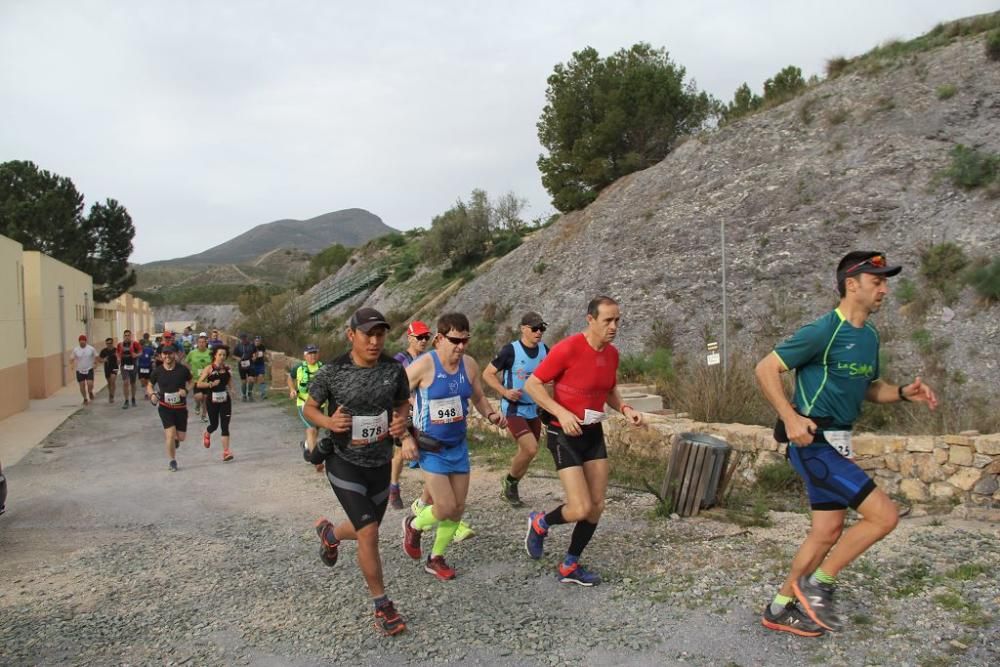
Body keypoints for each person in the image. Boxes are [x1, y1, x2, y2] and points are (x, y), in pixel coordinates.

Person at [755, 251, 938, 636]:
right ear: (851, 284)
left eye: (886, 282)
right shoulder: (824, 330)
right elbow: (765, 367)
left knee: (827, 530)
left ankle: (779, 607)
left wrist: (904, 392)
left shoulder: (869, 336)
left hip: (839, 444)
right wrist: (790, 417)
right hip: (813, 444)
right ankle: (819, 584)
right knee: (884, 516)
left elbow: (870, 388)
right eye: (877, 282)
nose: (885, 290)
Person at [301, 308, 410, 636]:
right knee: (370, 533)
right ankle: (382, 605)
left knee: (368, 526)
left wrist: (401, 420)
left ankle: (330, 535)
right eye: (368, 335)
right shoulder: (333, 370)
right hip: (343, 460)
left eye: (380, 334)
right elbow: (309, 407)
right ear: (352, 336)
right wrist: (328, 422)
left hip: (380, 461)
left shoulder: (394, 369)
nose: (375, 341)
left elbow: (403, 402)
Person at [522, 296, 643, 586]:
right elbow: (533, 384)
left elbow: (609, 389)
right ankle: (540, 523)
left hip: (592, 431)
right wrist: (561, 413)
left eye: (617, 320)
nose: (614, 326)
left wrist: (625, 409)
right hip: (562, 432)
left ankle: (569, 564)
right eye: (607, 321)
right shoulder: (568, 348)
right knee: (580, 508)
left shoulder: (612, 354)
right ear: (590, 320)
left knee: (597, 505)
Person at [402, 313, 506, 581]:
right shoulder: (424, 366)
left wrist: (491, 415)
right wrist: (404, 437)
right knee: (445, 506)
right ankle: (413, 525)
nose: (460, 347)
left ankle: (435, 557)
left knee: (458, 508)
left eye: (465, 341)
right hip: (430, 448)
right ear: (439, 339)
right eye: (455, 341)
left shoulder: (469, 365)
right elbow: (394, 397)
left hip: (457, 446)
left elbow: (480, 397)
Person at [483, 311, 549, 506]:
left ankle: (511, 485)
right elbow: (487, 374)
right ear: (523, 329)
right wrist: (504, 392)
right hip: (514, 408)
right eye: (535, 328)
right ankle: (510, 482)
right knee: (530, 448)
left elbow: (554, 375)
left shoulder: (545, 350)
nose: (539, 332)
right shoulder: (510, 351)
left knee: (529, 453)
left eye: (542, 328)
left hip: (534, 408)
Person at [387, 320, 431, 509]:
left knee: (429, 452)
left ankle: (429, 497)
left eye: (426, 337)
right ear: (410, 338)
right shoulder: (399, 360)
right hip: (405, 411)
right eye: (419, 337)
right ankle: (394, 487)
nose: (423, 341)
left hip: (425, 413)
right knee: (400, 453)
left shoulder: (429, 358)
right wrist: (407, 400)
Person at [146, 344, 193, 472]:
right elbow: (149, 385)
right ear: (161, 356)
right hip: (165, 407)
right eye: (165, 354)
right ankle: (172, 461)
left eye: (170, 353)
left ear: (175, 354)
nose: (167, 356)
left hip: (181, 408)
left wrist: (186, 391)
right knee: (170, 434)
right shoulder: (158, 371)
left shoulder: (182, 370)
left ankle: (176, 440)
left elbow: (191, 381)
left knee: (181, 437)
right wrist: (152, 395)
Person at [287, 343, 325, 472]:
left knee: (316, 431)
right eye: (310, 353)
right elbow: (290, 378)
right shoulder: (298, 367)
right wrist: (292, 389)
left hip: (320, 404)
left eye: (315, 352)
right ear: (305, 355)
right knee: (312, 430)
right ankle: (316, 461)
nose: (313, 355)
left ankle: (306, 445)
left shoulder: (324, 367)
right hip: (303, 403)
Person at [197, 344, 235, 462]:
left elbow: (229, 382)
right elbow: (199, 384)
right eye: (220, 354)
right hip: (212, 401)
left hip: (225, 400)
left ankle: (226, 452)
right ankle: (207, 433)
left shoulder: (227, 369)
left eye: (224, 355)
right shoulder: (209, 368)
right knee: (214, 425)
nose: (222, 357)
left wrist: (232, 390)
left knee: (225, 426)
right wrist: (210, 384)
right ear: (215, 355)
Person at [186, 333, 214, 422]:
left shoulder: (210, 353)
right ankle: (197, 405)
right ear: (197, 343)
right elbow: (186, 362)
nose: (201, 344)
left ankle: (204, 415)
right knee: (199, 397)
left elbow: (214, 363)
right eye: (200, 342)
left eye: (203, 342)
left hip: (207, 379)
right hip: (196, 380)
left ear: (206, 343)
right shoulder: (192, 353)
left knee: (206, 398)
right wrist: (189, 371)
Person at [117, 329, 143, 408]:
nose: (127, 337)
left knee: (133, 383)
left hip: (133, 365)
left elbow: (141, 352)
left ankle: (133, 398)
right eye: (126, 335)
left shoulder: (135, 344)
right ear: (123, 336)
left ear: (131, 336)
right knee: (125, 382)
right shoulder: (120, 345)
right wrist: (118, 358)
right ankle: (126, 401)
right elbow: (117, 353)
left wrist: (136, 355)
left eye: (128, 335)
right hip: (124, 366)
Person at [70, 334, 98, 405]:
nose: (82, 342)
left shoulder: (91, 348)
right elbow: (71, 358)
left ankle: (90, 392)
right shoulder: (76, 349)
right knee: (82, 385)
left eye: (83, 341)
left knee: (90, 384)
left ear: (86, 341)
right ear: (79, 342)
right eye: (80, 341)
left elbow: (96, 356)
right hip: (79, 370)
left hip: (89, 369)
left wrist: (95, 363)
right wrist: (72, 364)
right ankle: (85, 398)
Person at [234, 333, 256, 401]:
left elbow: (255, 352)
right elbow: (234, 355)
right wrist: (238, 358)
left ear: (247, 338)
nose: (243, 340)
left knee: (251, 379)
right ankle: (244, 396)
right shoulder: (238, 346)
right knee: (243, 381)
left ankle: (249, 393)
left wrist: (255, 356)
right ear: (240, 339)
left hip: (250, 364)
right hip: (242, 364)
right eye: (242, 339)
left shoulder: (251, 345)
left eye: (245, 339)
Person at [98, 337, 119, 404]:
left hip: (115, 367)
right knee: (109, 382)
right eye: (107, 343)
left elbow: (120, 358)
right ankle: (110, 393)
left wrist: (118, 359)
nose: (109, 344)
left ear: (112, 343)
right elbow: (99, 359)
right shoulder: (103, 351)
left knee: (113, 380)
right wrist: (103, 360)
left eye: (110, 343)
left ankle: (112, 396)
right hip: (107, 368)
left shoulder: (116, 350)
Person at [252, 335, 268, 399]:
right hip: (253, 364)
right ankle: (253, 392)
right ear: (254, 341)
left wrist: (266, 357)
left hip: (261, 364)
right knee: (254, 379)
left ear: (260, 341)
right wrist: (255, 356)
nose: (257, 342)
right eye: (256, 341)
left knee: (261, 377)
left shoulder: (262, 347)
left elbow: (264, 354)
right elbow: (252, 358)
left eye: (258, 341)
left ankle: (263, 394)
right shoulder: (251, 347)